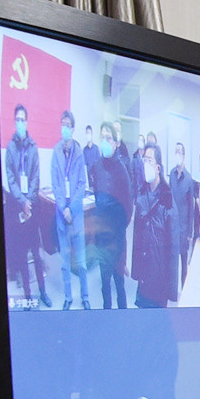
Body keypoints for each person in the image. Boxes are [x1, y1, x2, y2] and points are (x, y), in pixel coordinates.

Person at [2, 104, 48, 306]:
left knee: (36, 253)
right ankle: (28, 296)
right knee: (21, 254)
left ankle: (43, 292)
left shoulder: (33, 146)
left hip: (32, 207)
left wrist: (28, 201)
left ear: (27, 122)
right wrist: (22, 202)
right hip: (17, 209)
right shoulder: (10, 148)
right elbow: (11, 179)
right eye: (17, 120)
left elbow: (36, 176)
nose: (20, 123)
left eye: (23, 119)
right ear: (15, 122)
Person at [85, 122, 134, 309]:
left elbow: (128, 207)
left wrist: (117, 230)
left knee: (119, 284)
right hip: (102, 238)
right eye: (102, 137)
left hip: (117, 239)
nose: (105, 142)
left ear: (115, 143)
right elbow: (97, 196)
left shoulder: (121, 169)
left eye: (108, 138)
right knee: (105, 284)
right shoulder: (96, 166)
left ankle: (122, 318)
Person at [48, 111, 90, 310]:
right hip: (61, 215)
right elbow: (56, 184)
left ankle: (85, 296)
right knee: (65, 263)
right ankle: (68, 297)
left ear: (73, 129)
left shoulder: (79, 153)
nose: (64, 128)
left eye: (68, 125)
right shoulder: (56, 152)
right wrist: (63, 208)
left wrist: (71, 209)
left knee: (81, 262)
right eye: (62, 124)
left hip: (76, 215)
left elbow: (82, 184)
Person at [130, 144, 178, 308]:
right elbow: (136, 236)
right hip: (144, 274)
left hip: (159, 279)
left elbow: (173, 249)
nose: (145, 164)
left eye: (149, 160)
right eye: (144, 160)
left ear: (158, 168)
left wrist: (171, 290)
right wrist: (136, 271)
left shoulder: (167, 199)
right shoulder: (141, 194)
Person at [169, 139, 198, 294]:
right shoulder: (172, 175)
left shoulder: (188, 179)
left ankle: (184, 292)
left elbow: (191, 208)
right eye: (176, 152)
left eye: (179, 152)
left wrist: (190, 233)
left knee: (183, 263)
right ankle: (171, 291)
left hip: (183, 228)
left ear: (184, 156)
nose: (177, 154)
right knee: (171, 261)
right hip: (171, 226)